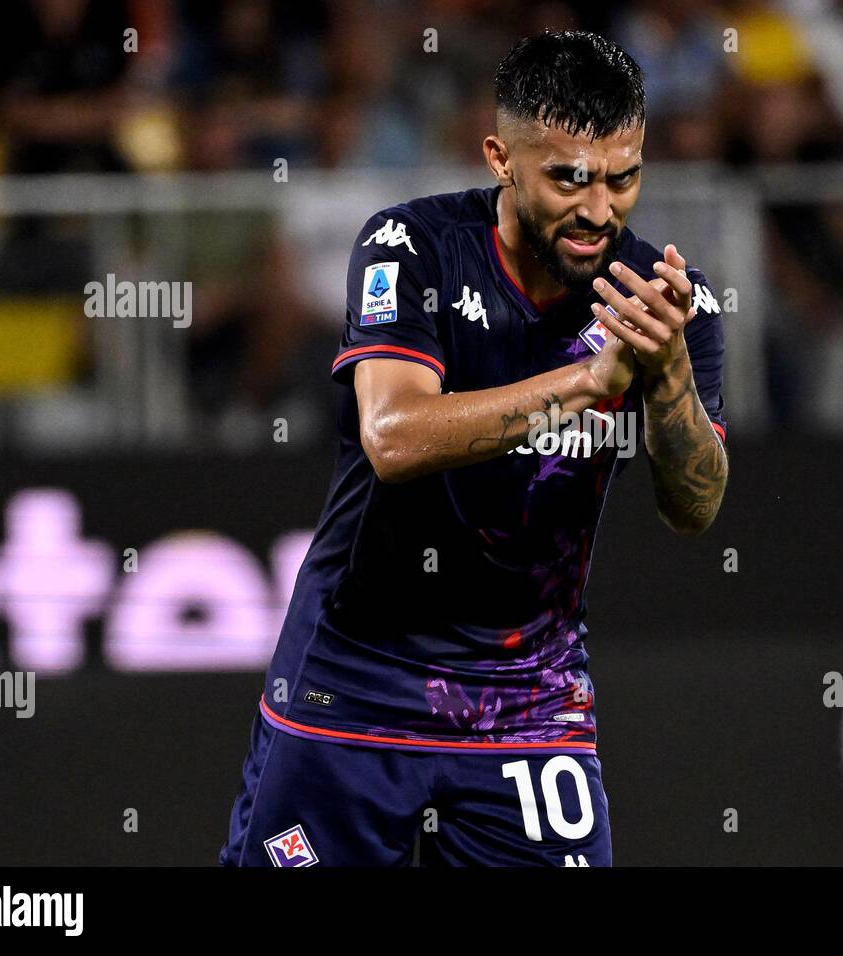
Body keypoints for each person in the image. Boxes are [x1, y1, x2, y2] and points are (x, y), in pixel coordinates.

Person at [220, 30, 729, 867]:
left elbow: (697, 506)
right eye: (568, 177)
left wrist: (668, 376)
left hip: (528, 704)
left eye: (622, 176)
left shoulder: (669, 303)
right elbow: (392, 436)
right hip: (354, 684)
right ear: (501, 157)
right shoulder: (410, 248)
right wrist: (586, 382)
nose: (599, 209)